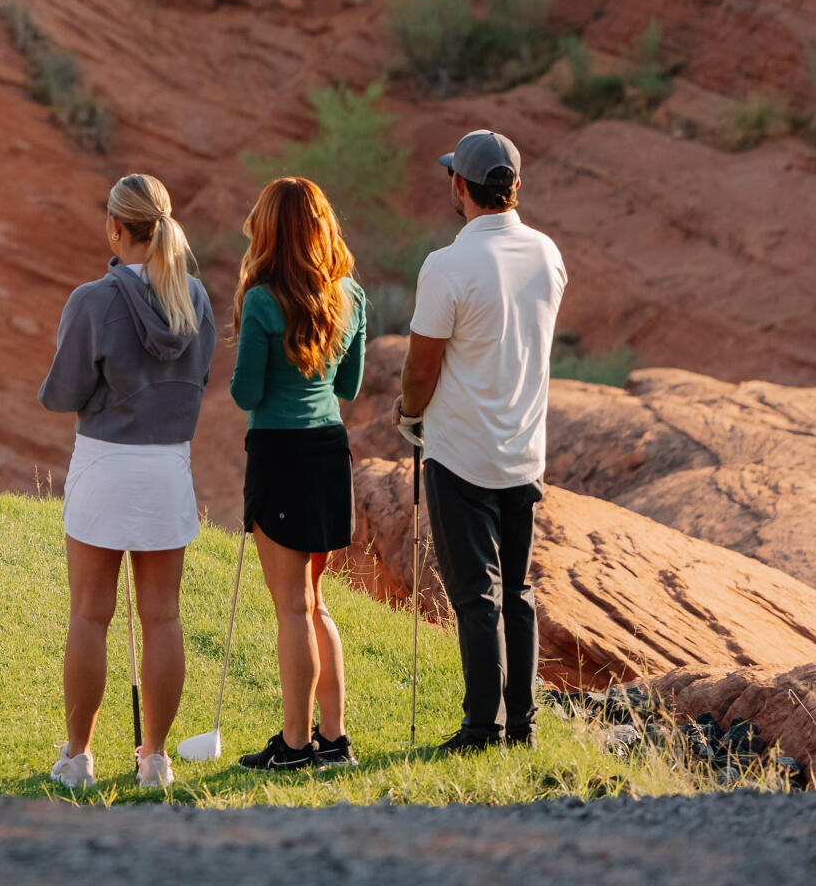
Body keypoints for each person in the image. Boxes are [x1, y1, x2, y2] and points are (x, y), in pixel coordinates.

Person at [36, 174, 215, 792]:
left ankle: (77, 759)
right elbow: (198, 379)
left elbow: (62, 393)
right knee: (163, 618)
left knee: (90, 615)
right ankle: (155, 760)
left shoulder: (92, 300)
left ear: (116, 228)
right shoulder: (193, 296)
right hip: (167, 469)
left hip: (106, 465)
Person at [397, 127, 566, 752]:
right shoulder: (547, 253)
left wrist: (408, 414)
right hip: (524, 454)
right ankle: (521, 725)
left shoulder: (446, 265)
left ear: (459, 186)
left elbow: (421, 368)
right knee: (517, 592)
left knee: (476, 597)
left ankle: (480, 729)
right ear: (515, 185)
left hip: (462, 454)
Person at [227, 176, 368, 773]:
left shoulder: (261, 300)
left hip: (280, 455)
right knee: (314, 603)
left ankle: (294, 745)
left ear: (268, 231)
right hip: (330, 452)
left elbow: (246, 393)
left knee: (291, 606)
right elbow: (348, 386)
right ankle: (333, 738)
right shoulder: (352, 294)